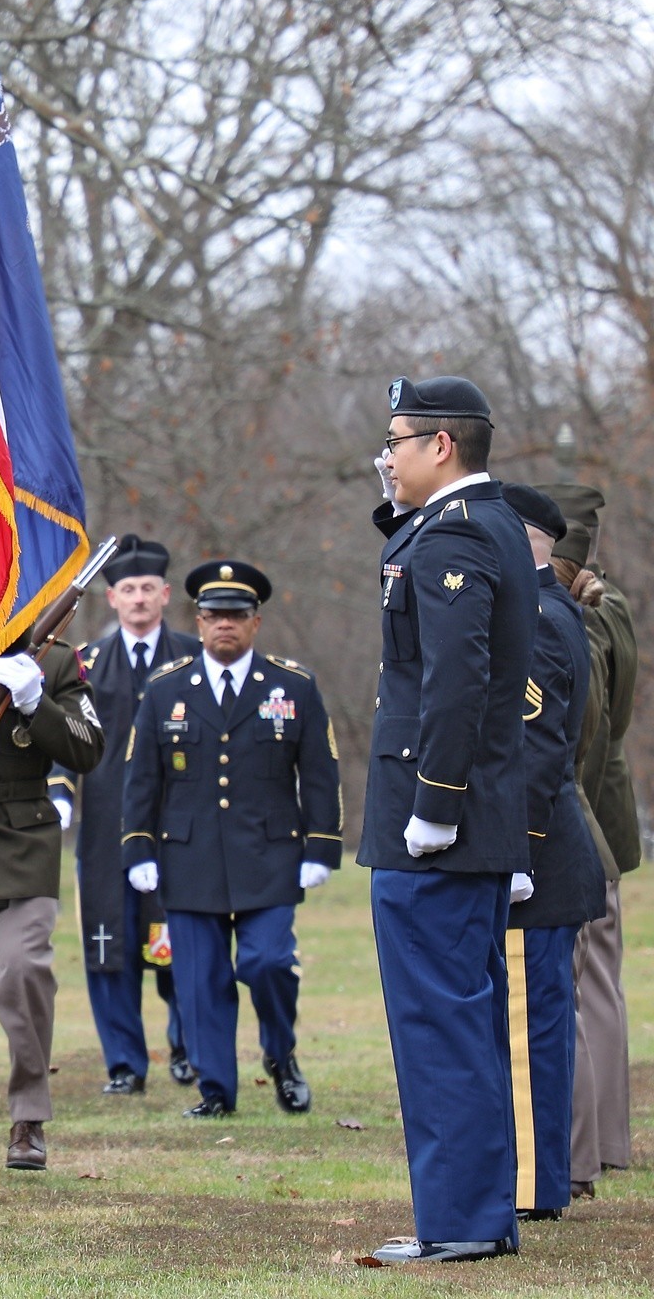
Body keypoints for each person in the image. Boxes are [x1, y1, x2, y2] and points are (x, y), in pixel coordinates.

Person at [361, 376, 534, 1265]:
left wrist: (435, 805)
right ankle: (474, 1214)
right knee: (460, 1018)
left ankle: (462, 1223)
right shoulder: (476, 524)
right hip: (468, 821)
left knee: (438, 1024)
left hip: (438, 827)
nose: (385, 456)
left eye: (396, 440)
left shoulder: (457, 533)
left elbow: (454, 683)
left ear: (443, 446)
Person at [122, 561, 340, 1118]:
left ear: (255, 623)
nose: (225, 625)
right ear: (197, 622)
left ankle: (281, 1054)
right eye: (215, 615)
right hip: (188, 857)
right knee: (200, 982)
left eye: (236, 616)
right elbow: (142, 777)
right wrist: (138, 847)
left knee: (267, 963)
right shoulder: (165, 689)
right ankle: (216, 1089)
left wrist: (321, 845)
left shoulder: (293, 686)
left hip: (269, 855)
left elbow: (318, 772)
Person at [0, 624, 103, 1176]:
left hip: (24, 836)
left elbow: (88, 747)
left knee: (22, 969)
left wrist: (37, 703)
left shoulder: (56, 662)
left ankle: (28, 1117)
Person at [499, 485, 608, 1221]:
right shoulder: (535, 609)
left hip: (536, 857)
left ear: (528, 538)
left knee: (530, 1027)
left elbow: (538, 756)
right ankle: (535, 1178)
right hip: (537, 850)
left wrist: (514, 851)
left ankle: (539, 1186)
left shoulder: (537, 617)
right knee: (534, 1021)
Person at [537, 483, 637, 1197]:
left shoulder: (566, 618)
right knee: (601, 985)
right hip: (607, 811)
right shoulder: (614, 609)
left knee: (569, 987)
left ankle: (577, 1155)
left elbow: (581, 736)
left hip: (576, 816)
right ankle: (606, 1141)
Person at [74, 535, 198, 1095]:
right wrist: (58, 793)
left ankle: (188, 1050)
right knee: (110, 946)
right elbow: (64, 739)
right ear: (112, 598)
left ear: (166, 594)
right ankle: (125, 1062)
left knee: (178, 941)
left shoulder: (196, 661)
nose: (140, 598)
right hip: (104, 828)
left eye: (149, 588)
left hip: (179, 827)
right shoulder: (86, 665)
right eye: (129, 589)